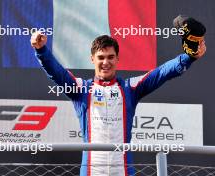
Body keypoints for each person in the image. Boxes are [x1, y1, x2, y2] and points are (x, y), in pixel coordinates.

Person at [30, 21, 206, 176]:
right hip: (91, 171)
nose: (105, 62)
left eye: (110, 57)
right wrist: (41, 50)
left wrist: (188, 57)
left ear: (118, 59)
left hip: (124, 171)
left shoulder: (130, 88)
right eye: (101, 57)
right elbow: (56, 72)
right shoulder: (81, 89)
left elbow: (161, 73)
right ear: (92, 59)